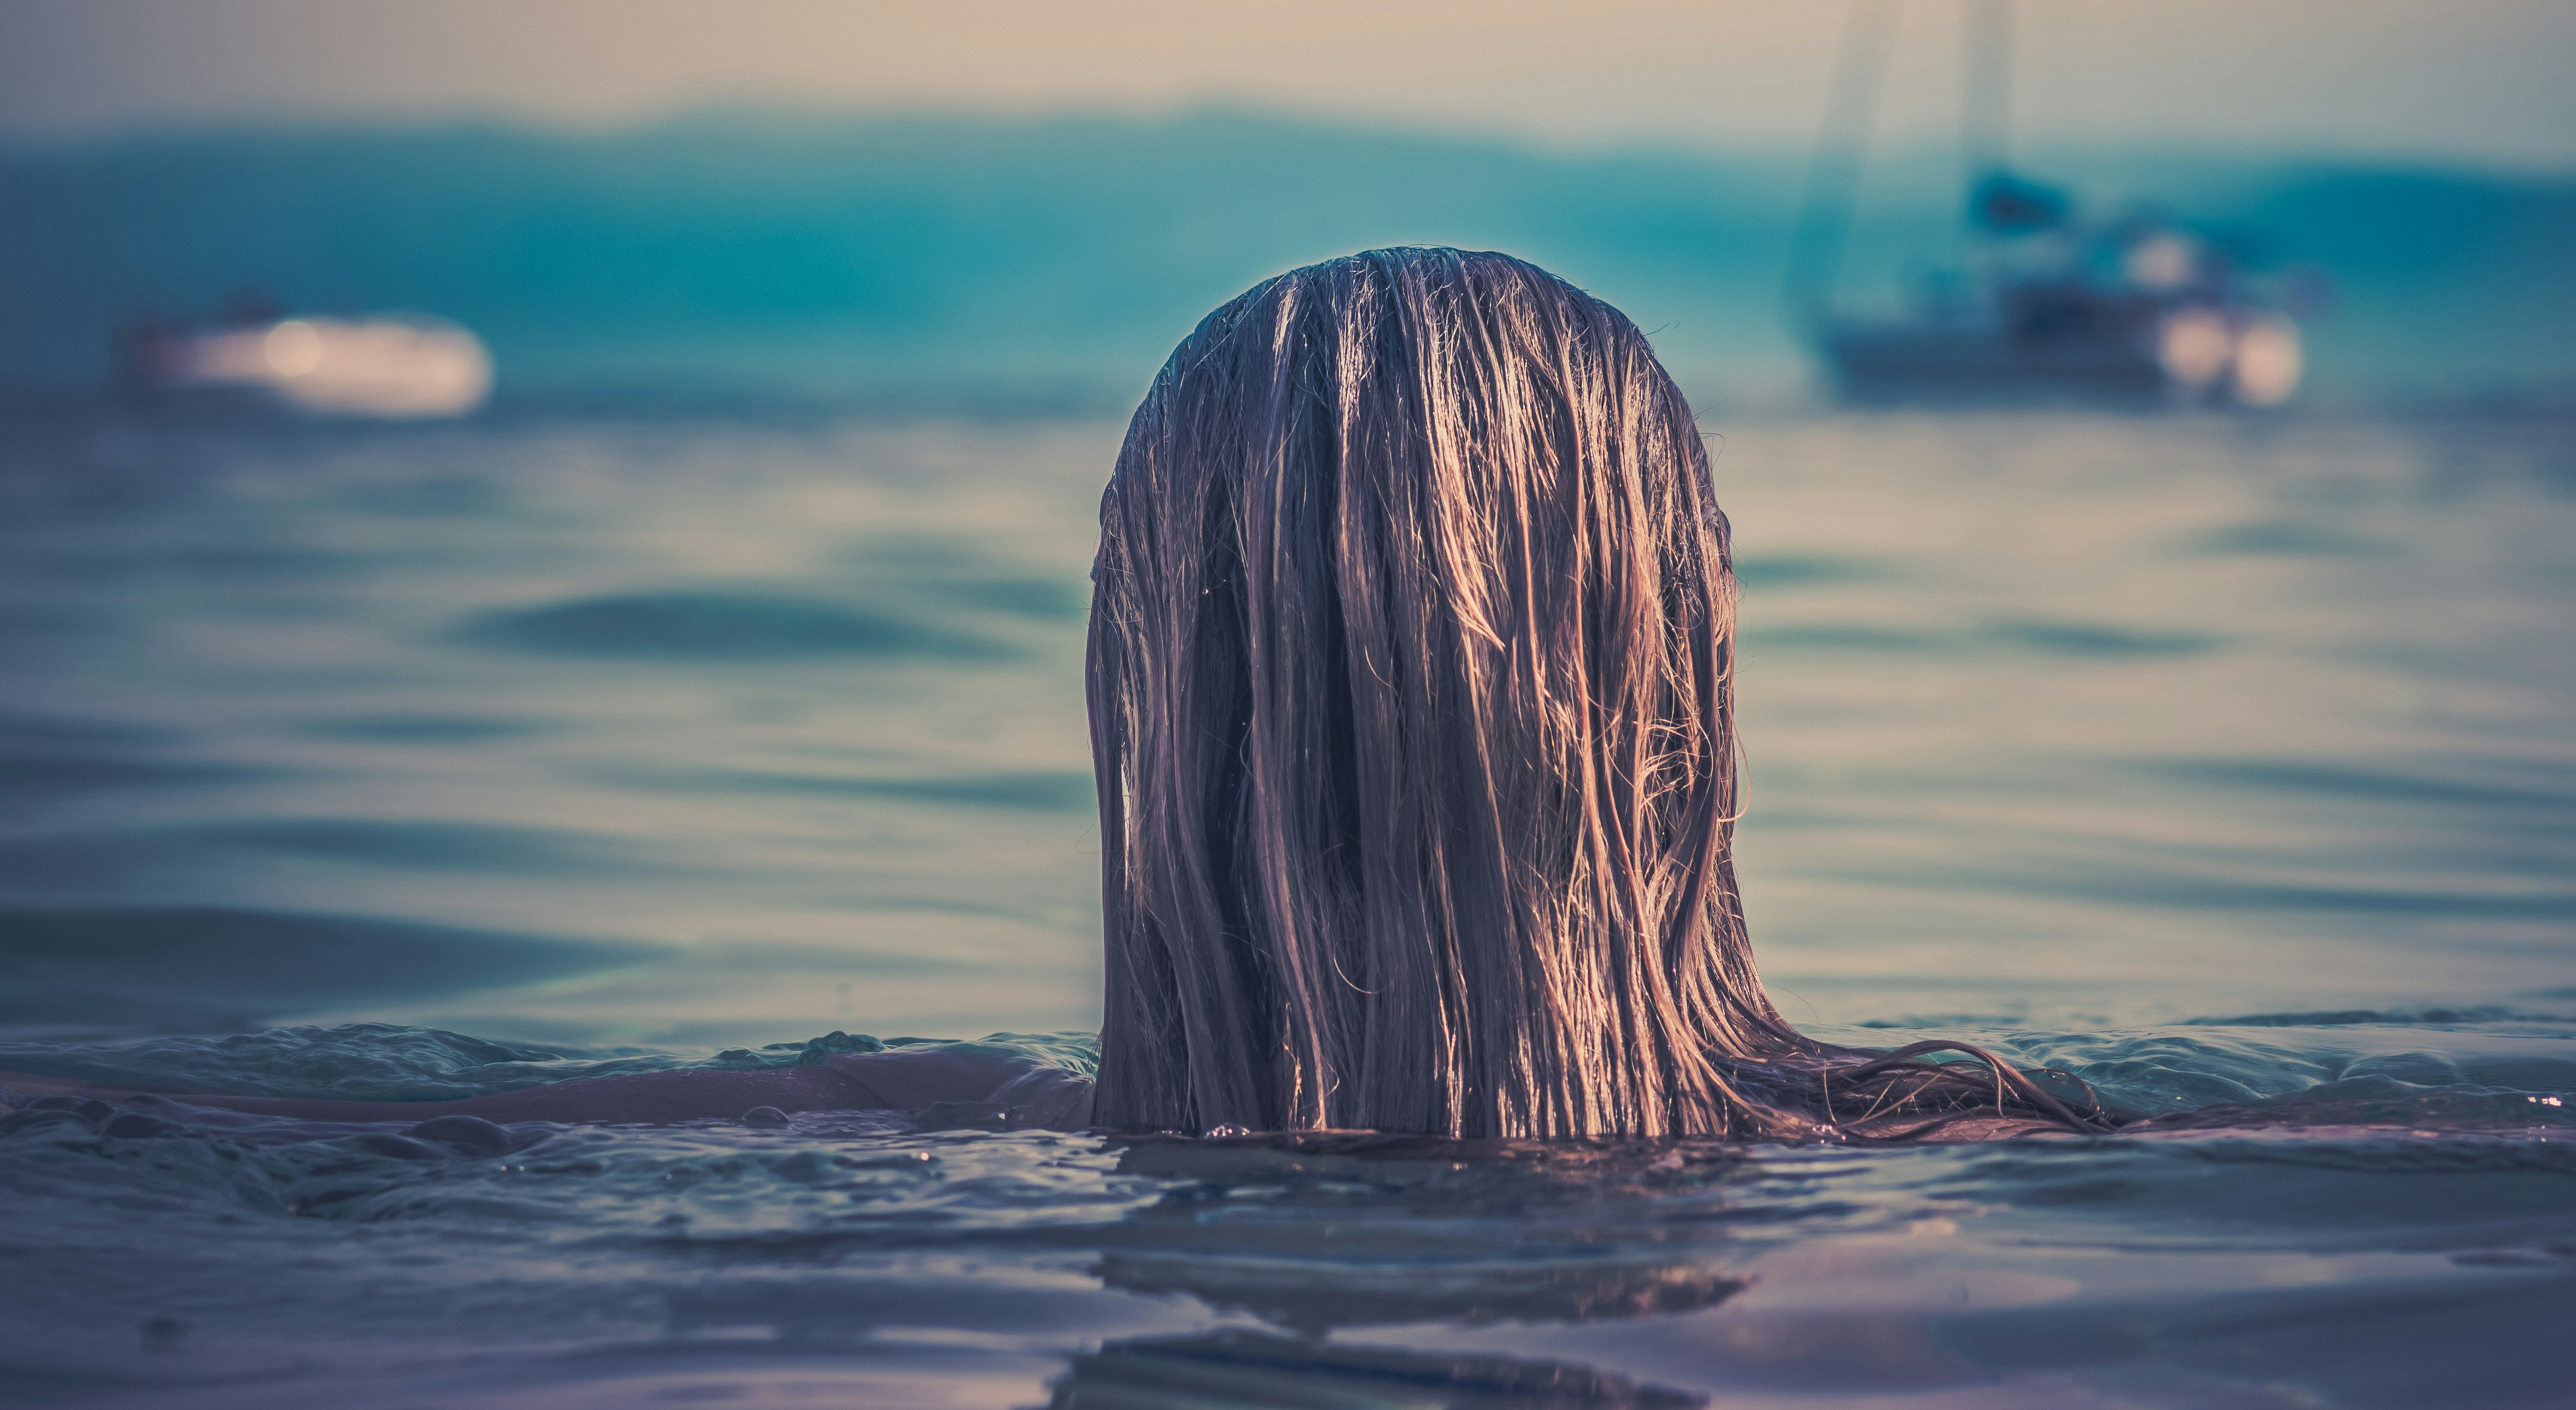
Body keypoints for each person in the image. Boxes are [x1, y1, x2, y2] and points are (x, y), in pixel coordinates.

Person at [2, 251, 2104, 1143]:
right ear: (1674, 681)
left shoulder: (930, 1126)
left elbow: (226, 1130)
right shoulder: (1956, 1155)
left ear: (1159, 685)